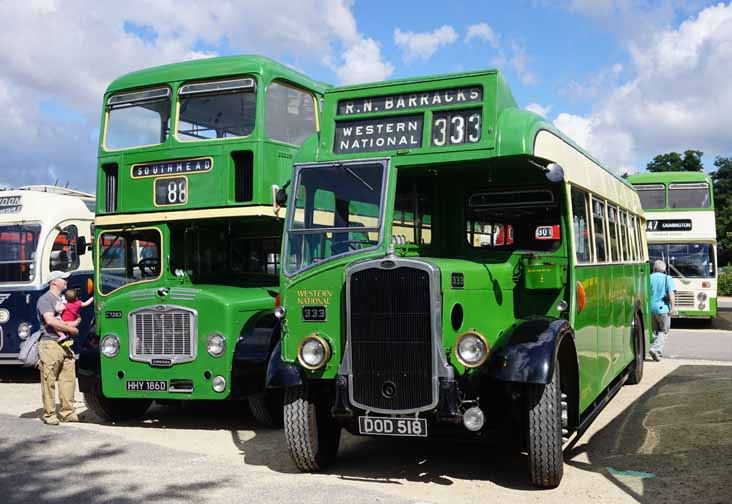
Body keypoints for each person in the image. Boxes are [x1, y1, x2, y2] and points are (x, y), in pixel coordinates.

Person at [36, 271, 82, 425]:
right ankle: (49, 415)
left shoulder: (63, 299)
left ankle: (67, 413)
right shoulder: (45, 299)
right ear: (54, 282)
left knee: (68, 380)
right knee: (48, 381)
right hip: (51, 344)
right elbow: (50, 321)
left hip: (65, 345)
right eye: (64, 279)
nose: (66, 280)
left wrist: (75, 322)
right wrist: (72, 329)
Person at [649, 259, 676, 361]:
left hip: (651, 309)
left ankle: (656, 352)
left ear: (654, 268)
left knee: (654, 331)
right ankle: (655, 349)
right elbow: (671, 294)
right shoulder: (667, 278)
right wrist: (673, 307)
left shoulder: (649, 278)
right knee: (664, 331)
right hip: (663, 308)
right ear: (664, 270)